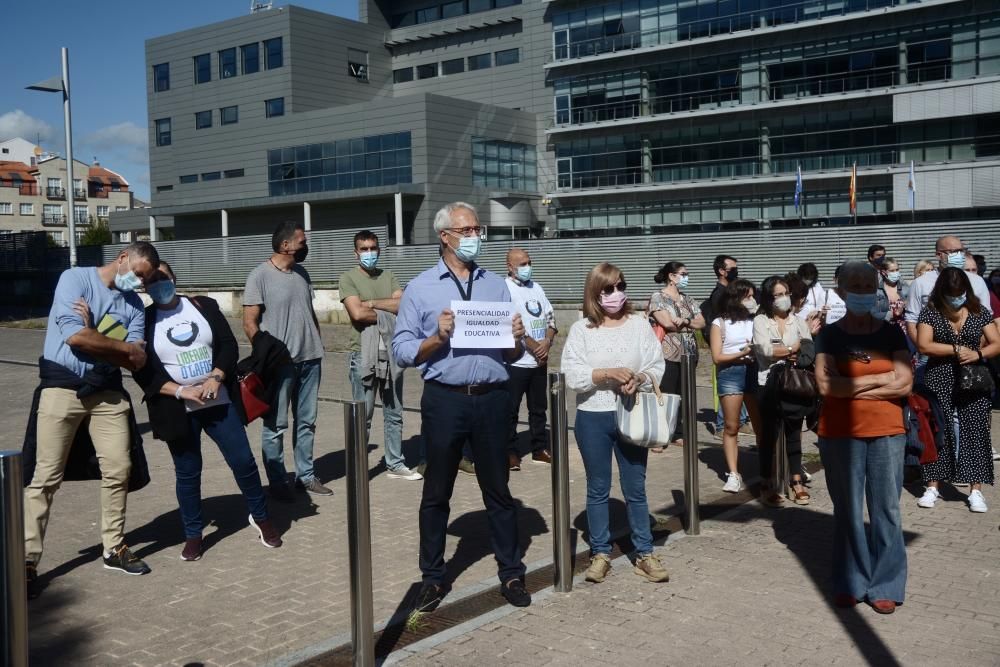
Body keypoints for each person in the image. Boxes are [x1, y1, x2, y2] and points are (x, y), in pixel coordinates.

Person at [392, 202, 531, 611]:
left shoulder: (494, 284)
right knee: (437, 493)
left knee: (500, 492)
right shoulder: (420, 288)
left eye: (477, 228)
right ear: (445, 236)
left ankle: (511, 571)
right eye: (467, 229)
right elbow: (402, 351)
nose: (475, 236)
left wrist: (517, 337)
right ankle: (433, 577)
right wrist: (437, 337)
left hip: (491, 399)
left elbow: (509, 351)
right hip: (445, 401)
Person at [24, 242, 159, 593]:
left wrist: (94, 336)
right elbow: (74, 337)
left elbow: (137, 360)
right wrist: (113, 345)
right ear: (123, 258)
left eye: (146, 280)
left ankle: (114, 547)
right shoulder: (75, 279)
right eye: (139, 274)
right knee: (45, 477)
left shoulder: (134, 305)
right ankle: (26, 560)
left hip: (108, 393)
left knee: (118, 468)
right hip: (62, 388)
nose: (140, 283)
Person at [134, 262, 281, 560]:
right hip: (177, 408)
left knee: (243, 461)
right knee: (187, 473)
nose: (159, 283)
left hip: (218, 401)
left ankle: (261, 516)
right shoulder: (143, 321)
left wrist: (216, 376)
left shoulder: (202, 306)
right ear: (144, 286)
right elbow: (142, 369)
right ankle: (193, 533)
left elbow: (228, 346)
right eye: (152, 280)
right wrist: (179, 390)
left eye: (164, 277)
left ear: (175, 278)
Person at [815, 261, 913, 615]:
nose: (859, 290)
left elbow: (904, 382)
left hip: (887, 432)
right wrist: (879, 380)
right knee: (849, 511)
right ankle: (851, 581)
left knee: (886, 509)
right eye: (852, 285)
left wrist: (851, 388)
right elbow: (826, 386)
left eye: (866, 284)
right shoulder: (829, 335)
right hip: (841, 433)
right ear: (840, 290)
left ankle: (886, 583)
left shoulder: (890, 334)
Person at [562, 262, 669, 584]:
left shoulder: (638, 325)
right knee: (597, 488)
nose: (615, 294)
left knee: (635, 488)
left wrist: (639, 378)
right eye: (608, 289)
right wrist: (605, 373)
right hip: (593, 416)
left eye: (620, 286)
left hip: (632, 411)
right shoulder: (582, 329)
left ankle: (645, 553)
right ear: (595, 292)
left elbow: (656, 364)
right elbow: (571, 373)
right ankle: (600, 552)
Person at [243, 221, 332, 501]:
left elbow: (309, 313)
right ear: (285, 245)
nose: (305, 246)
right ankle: (278, 481)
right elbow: (249, 323)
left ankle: (305, 476)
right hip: (280, 365)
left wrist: (318, 341)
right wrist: (267, 355)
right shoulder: (259, 276)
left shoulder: (302, 273)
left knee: (306, 422)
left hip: (310, 359)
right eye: (302, 241)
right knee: (275, 426)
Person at [914, 268, 1000, 513]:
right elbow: (923, 344)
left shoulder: (979, 312)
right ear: (942, 292)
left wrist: (978, 353)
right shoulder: (930, 313)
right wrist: (956, 349)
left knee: (976, 430)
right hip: (939, 377)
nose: (957, 297)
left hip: (972, 378)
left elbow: (997, 342)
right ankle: (932, 486)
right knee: (937, 431)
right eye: (952, 293)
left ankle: (976, 491)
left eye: (960, 293)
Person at [340, 230, 422, 481]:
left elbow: (403, 306)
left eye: (373, 248)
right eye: (364, 249)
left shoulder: (389, 276)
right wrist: (387, 310)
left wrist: (372, 302)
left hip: (392, 352)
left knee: (394, 411)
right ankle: (358, 467)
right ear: (356, 253)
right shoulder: (348, 278)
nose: (369, 253)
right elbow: (357, 315)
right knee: (362, 415)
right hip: (362, 354)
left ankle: (395, 463)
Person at [752, 276, 812, 506]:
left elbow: (807, 347)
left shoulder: (797, 320)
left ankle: (796, 480)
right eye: (777, 295)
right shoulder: (760, 321)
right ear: (768, 298)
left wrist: (790, 350)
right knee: (768, 434)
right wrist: (791, 348)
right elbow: (765, 351)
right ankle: (766, 482)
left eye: (785, 293)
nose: (783, 298)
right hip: (767, 382)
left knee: (794, 432)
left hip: (794, 382)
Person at [904, 235, 993, 384]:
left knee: (973, 401)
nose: (959, 255)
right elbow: (912, 320)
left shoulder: (977, 282)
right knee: (935, 402)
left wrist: (973, 350)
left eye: (961, 251)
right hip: (931, 357)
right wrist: (924, 348)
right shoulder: (921, 283)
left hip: (970, 356)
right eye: (953, 252)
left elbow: (986, 320)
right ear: (939, 254)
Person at [504, 248, 557, 470]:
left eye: (529, 262)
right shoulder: (504, 289)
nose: (527, 267)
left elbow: (550, 319)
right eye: (522, 264)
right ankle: (510, 452)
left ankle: (539, 448)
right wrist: (533, 346)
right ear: (510, 267)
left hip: (538, 362)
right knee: (510, 410)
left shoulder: (537, 287)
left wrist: (546, 342)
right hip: (516, 362)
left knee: (539, 408)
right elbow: (509, 324)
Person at [709, 279, 762, 494]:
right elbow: (716, 356)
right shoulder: (719, 323)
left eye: (753, 296)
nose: (752, 300)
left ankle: (767, 468)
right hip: (731, 372)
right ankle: (733, 473)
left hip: (754, 371)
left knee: (760, 425)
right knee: (732, 426)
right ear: (735, 298)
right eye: (747, 296)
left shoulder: (756, 320)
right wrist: (743, 352)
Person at [648, 260, 705, 445]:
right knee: (666, 392)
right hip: (667, 352)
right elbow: (667, 323)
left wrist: (685, 321)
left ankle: (679, 432)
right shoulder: (658, 297)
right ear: (671, 277)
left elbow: (701, 322)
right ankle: (660, 435)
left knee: (684, 393)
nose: (686, 277)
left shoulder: (688, 299)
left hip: (689, 352)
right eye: (683, 274)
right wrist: (683, 321)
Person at [880, 256, 908, 324]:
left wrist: (905, 306)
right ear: (883, 272)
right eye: (892, 271)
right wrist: (892, 314)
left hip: (904, 330)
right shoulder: (878, 291)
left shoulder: (906, 288)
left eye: (897, 270)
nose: (896, 273)